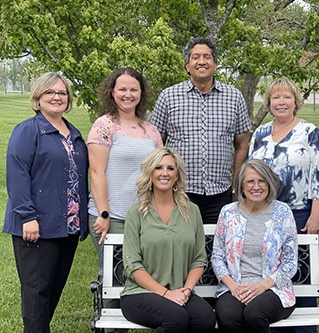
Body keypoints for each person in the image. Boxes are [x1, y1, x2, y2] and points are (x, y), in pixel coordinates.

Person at [3, 72, 89, 333]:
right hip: (37, 227)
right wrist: (28, 217)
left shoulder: (73, 134)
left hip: (68, 228)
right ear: (38, 97)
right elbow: (17, 176)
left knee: (52, 292)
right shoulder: (28, 131)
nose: (56, 97)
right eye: (50, 92)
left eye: (62, 93)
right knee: (36, 295)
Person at [248, 77, 319, 333]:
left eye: (287, 97)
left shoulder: (309, 132)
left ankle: (304, 329)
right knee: (271, 279)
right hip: (265, 217)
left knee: (301, 276)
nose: (281, 102)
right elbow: (249, 174)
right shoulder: (261, 134)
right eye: (276, 98)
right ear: (269, 102)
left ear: (296, 101)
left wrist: (315, 216)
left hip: (300, 214)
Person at [151, 36, 252, 224]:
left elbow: (242, 145)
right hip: (179, 192)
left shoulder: (234, 97)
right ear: (187, 65)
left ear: (215, 64)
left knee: (217, 249)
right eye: (195, 57)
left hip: (220, 194)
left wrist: (235, 187)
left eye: (207, 57)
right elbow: (156, 145)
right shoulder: (168, 96)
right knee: (181, 249)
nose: (202, 61)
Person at [120, 147, 216, 333]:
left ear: (177, 175)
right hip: (140, 293)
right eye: (158, 168)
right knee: (175, 317)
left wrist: (186, 290)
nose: (165, 173)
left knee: (205, 318)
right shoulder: (136, 212)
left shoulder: (192, 211)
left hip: (181, 291)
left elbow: (199, 259)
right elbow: (133, 265)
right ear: (150, 173)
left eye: (170, 168)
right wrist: (165, 293)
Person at [87, 67, 163, 280]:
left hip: (144, 216)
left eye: (134, 89)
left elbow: (158, 173)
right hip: (113, 217)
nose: (128, 94)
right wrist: (104, 213)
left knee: (142, 274)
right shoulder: (104, 126)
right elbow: (96, 171)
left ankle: (136, 314)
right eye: (122, 89)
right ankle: (108, 312)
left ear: (141, 94)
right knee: (115, 275)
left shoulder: (150, 130)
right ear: (112, 92)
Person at [211, 159, 298, 333]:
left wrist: (262, 286)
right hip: (234, 287)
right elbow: (217, 257)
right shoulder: (228, 213)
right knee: (228, 316)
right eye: (250, 181)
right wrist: (233, 287)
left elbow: (290, 262)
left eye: (262, 181)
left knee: (254, 314)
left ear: (269, 183)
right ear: (241, 185)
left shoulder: (282, 212)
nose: (256, 187)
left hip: (273, 289)